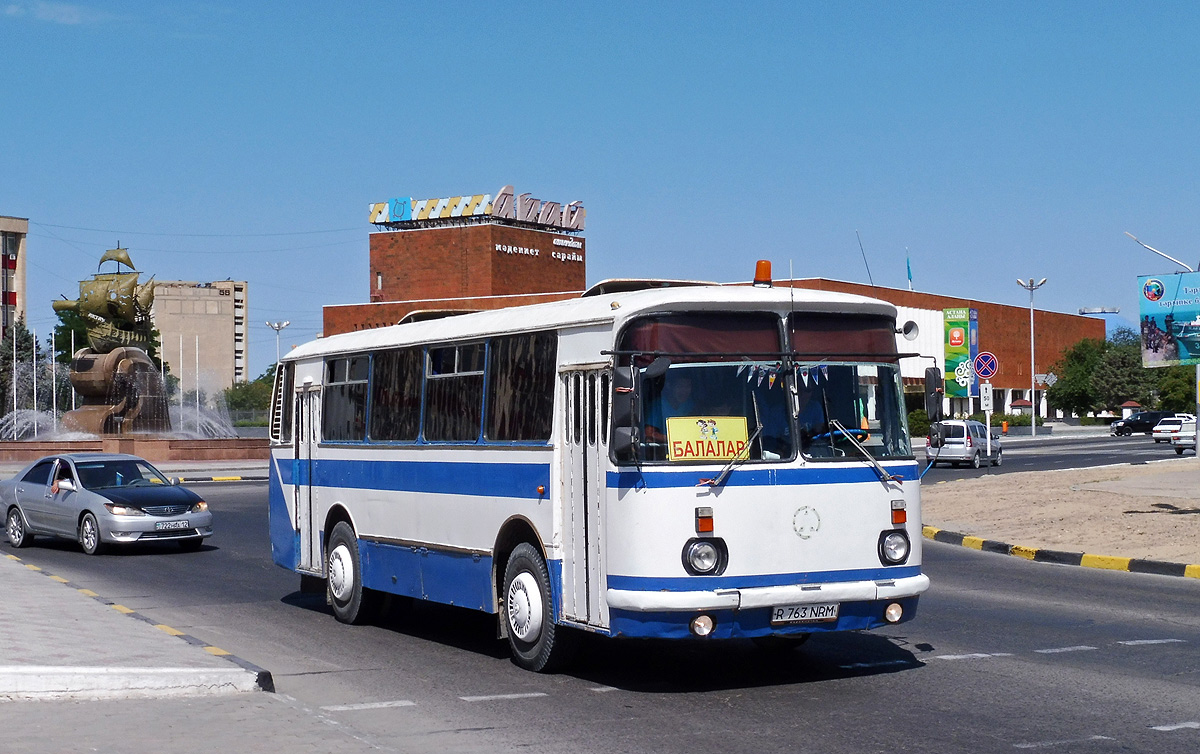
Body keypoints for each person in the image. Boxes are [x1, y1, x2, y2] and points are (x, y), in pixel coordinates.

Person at [644, 373, 698, 443]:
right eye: (680, 386)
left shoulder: (689, 404)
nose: (684, 391)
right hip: (666, 449)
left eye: (687, 386)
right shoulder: (659, 405)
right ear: (669, 387)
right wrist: (675, 439)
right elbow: (649, 433)